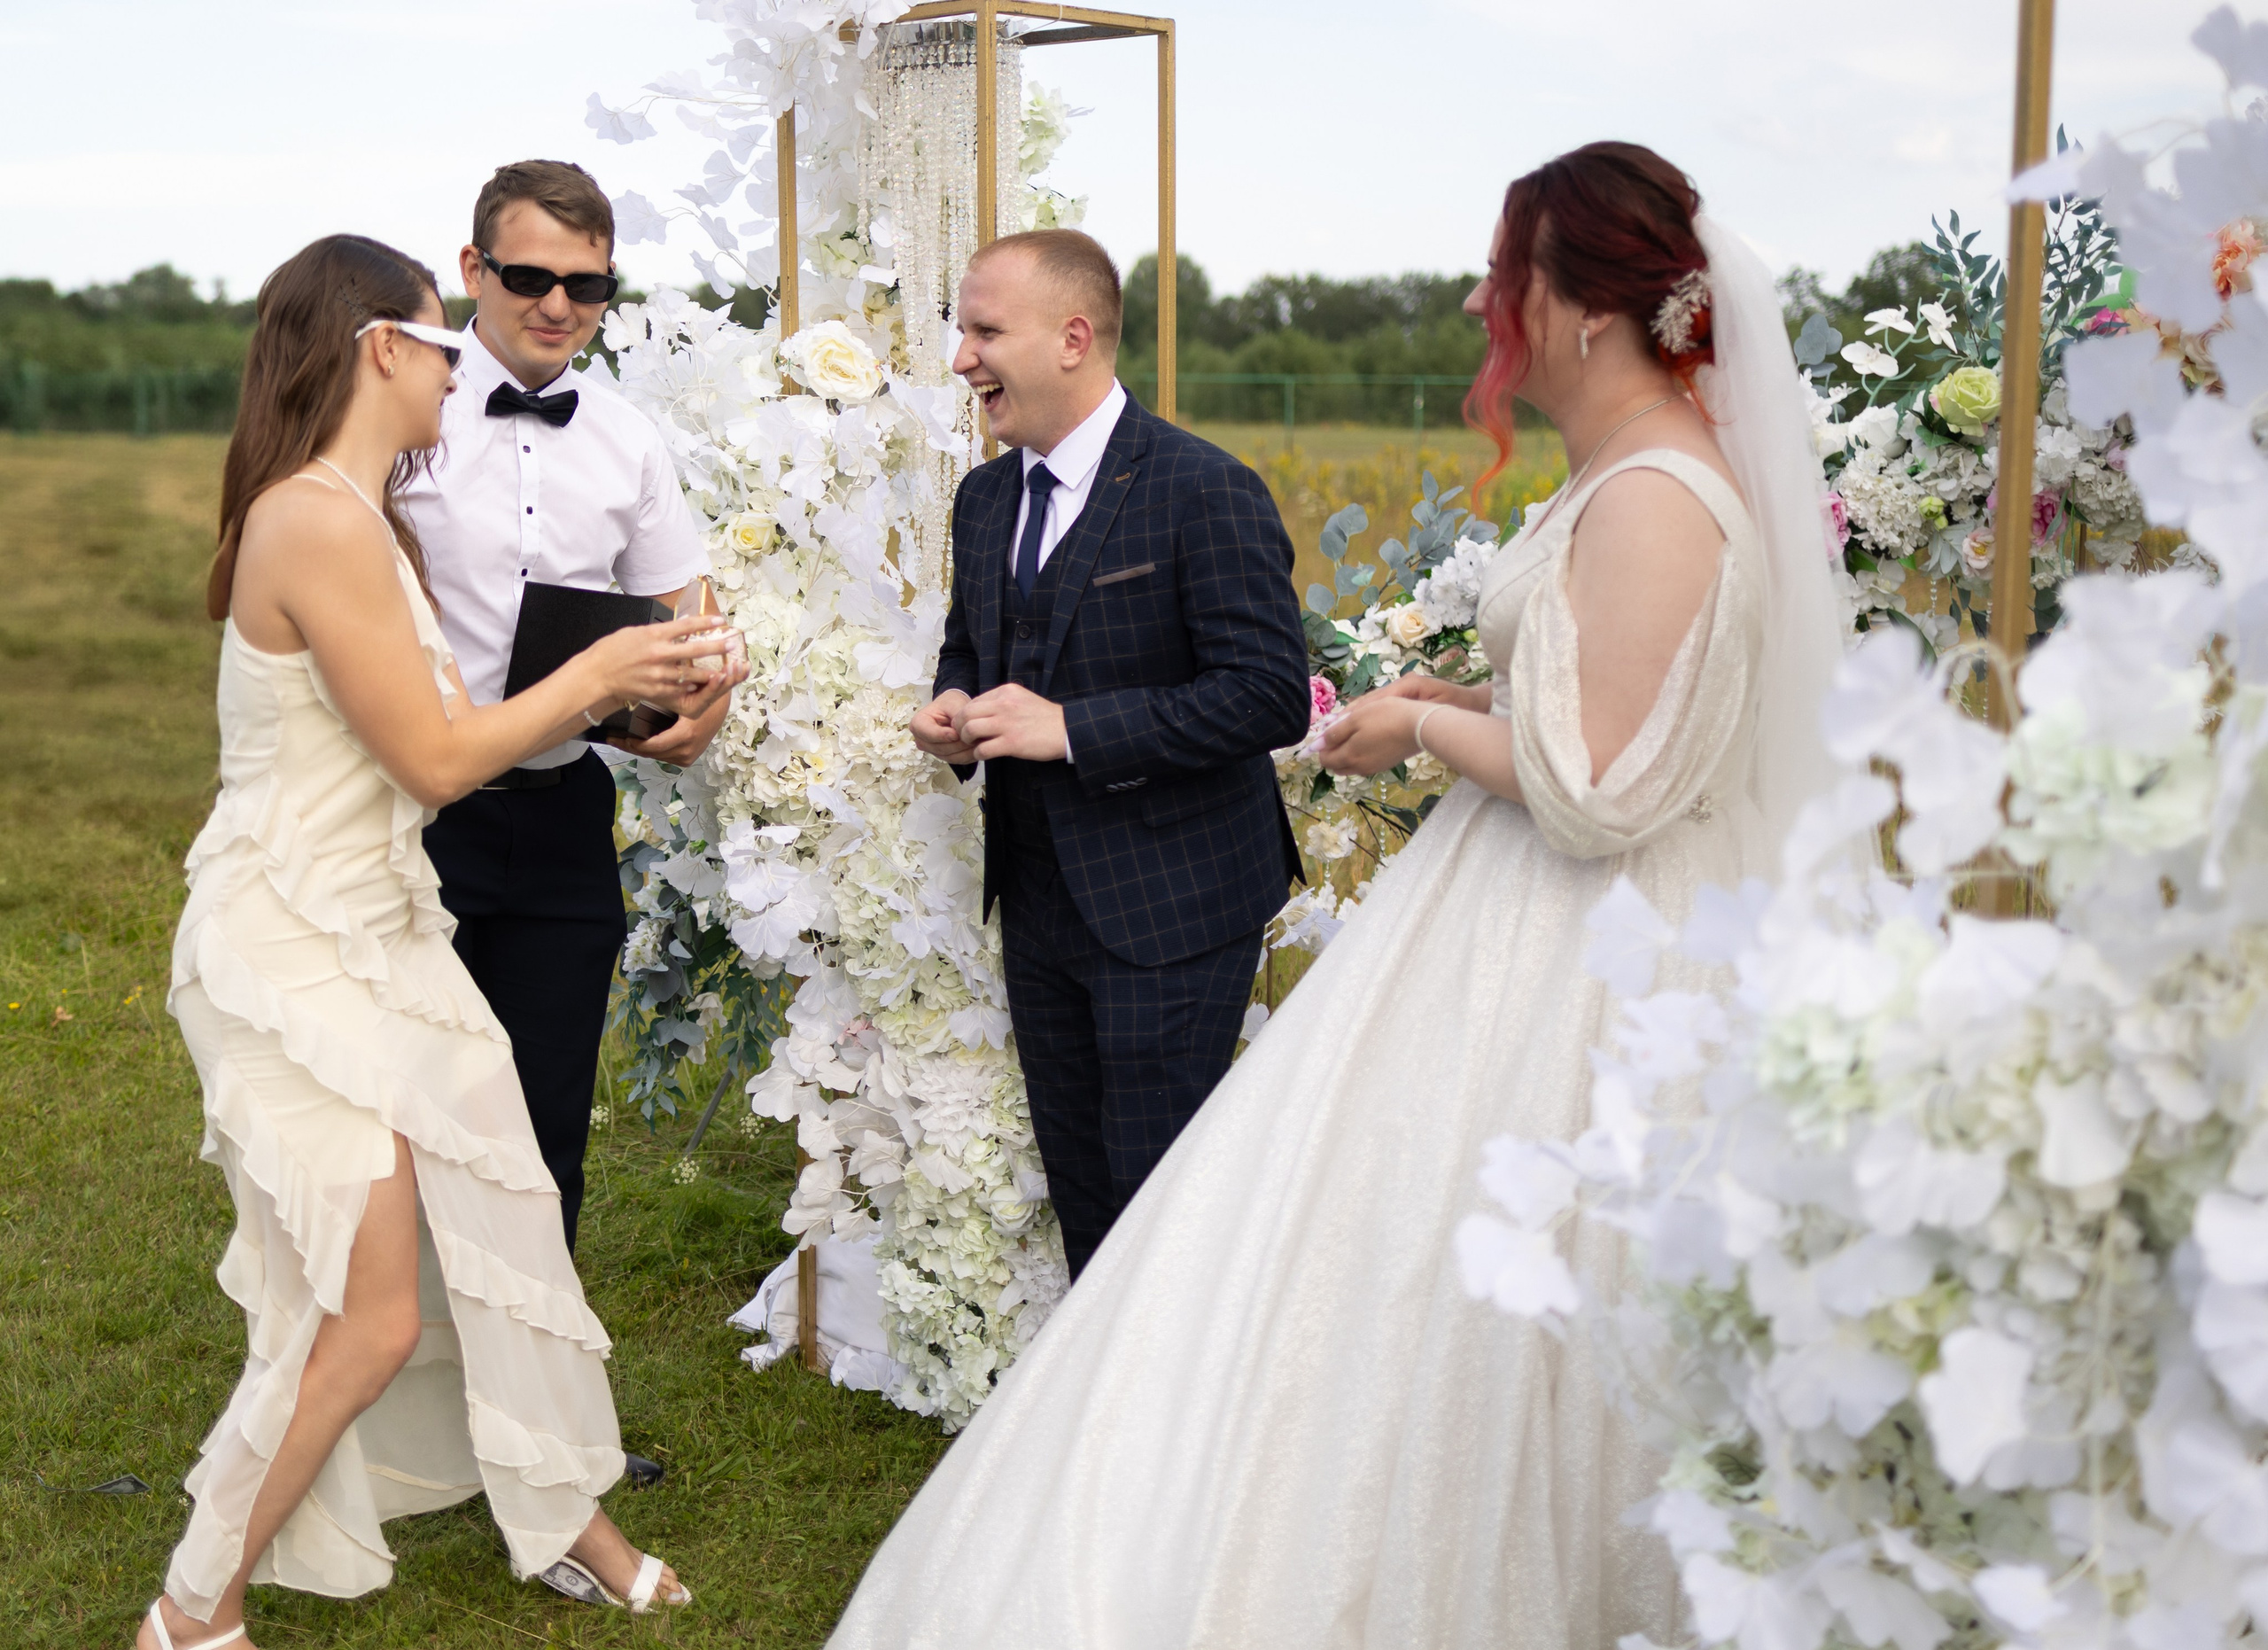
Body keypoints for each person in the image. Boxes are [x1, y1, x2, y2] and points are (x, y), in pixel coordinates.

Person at [831, 143, 1842, 1648]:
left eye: (1511, 281)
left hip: (1561, 949)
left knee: (1350, 1265)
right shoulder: (1633, 479)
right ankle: (1113, 1448)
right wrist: (1468, 683)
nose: (1489, 310)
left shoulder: (1646, 494)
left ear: (1575, 305)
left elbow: (1598, 789)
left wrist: (1423, 727)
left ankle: (1192, 1490)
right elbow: (1617, 705)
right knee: (1211, 1237)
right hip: (1085, 892)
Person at [142, 234, 731, 1650]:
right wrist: (599, 671)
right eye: (439, 336)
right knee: (371, 1312)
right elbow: (434, 760)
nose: (462, 360)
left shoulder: (362, 510)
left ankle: (567, 1521)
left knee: (504, 1214)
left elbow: (450, 720)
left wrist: (630, 696)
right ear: (378, 350)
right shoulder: (316, 518)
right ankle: (189, 1608)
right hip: (291, 952)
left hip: (387, 933)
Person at [906, 229, 1310, 1280]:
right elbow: (972, 637)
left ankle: (1180, 1430)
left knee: (1159, 1199)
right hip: (1038, 902)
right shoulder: (985, 496)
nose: (963, 359)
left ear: (1074, 338)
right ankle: (1095, 1430)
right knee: (1083, 1185)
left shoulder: (1203, 489)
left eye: (984, 331)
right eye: (963, 332)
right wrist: (952, 699)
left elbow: (1267, 694)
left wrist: (1073, 727)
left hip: (1172, 909)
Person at [401, 161, 726, 1274]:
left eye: (586, 287)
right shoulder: (403, 413)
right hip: (406, 816)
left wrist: (703, 706)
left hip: (562, 821)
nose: (557, 306)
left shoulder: (630, 437)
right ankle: (402, 1412)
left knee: (544, 1134)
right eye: (531, 274)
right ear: (472, 268)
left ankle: (539, 1435)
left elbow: (693, 615)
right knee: (405, 1127)